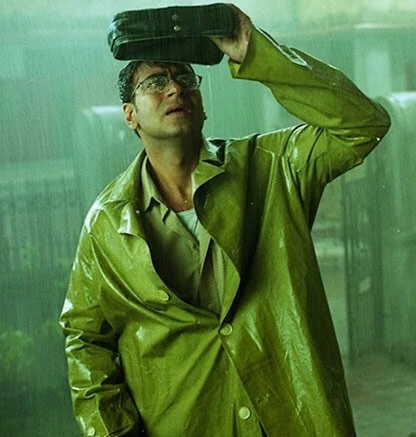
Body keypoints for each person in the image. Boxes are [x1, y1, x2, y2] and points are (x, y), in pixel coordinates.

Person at [60, 4, 390, 437]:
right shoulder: (107, 224)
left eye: (185, 78)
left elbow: (363, 124)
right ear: (130, 115)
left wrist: (253, 51)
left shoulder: (272, 168)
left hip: (294, 419)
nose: (175, 88)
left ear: (202, 106)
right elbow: (86, 339)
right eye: (155, 82)